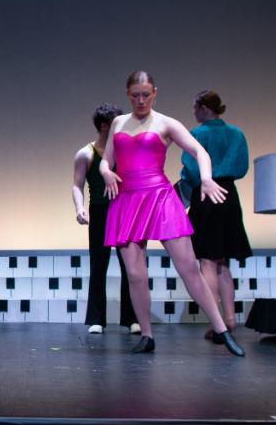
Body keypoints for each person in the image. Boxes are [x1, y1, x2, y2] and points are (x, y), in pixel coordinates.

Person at [100, 71, 244, 356]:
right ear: (128, 94)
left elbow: (200, 152)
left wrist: (206, 178)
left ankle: (222, 330)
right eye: (135, 95)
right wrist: (106, 172)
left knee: (189, 267)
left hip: (160, 198)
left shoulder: (166, 123)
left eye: (146, 95)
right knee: (135, 274)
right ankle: (147, 334)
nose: (141, 100)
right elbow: (106, 160)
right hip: (127, 200)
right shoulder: (118, 123)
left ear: (154, 93)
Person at [180, 90, 252, 341]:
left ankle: (217, 323)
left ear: (203, 107)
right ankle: (230, 319)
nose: (194, 112)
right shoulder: (237, 133)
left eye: (195, 107)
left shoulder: (197, 134)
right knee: (222, 262)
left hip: (206, 193)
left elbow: (191, 170)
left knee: (207, 261)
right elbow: (242, 166)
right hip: (229, 195)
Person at [72, 104, 140, 335]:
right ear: (103, 126)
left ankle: (131, 318)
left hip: (125, 211)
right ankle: (96, 318)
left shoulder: (126, 150)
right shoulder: (86, 153)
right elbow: (77, 185)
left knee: (130, 266)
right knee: (98, 264)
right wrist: (79, 208)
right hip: (101, 211)